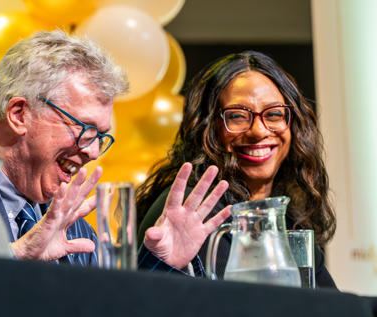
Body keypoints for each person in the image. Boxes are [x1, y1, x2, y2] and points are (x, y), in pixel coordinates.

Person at [0, 30, 231, 265]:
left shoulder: (73, 223)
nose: (94, 151)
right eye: (85, 129)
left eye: (102, 136)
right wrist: (18, 255)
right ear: (19, 114)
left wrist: (161, 264)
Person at [136, 51, 337, 288]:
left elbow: (331, 311)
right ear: (208, 129)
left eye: (273, 114)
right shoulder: (192, 213)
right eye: (237, 117)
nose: (258, 131)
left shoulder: (289, 220)